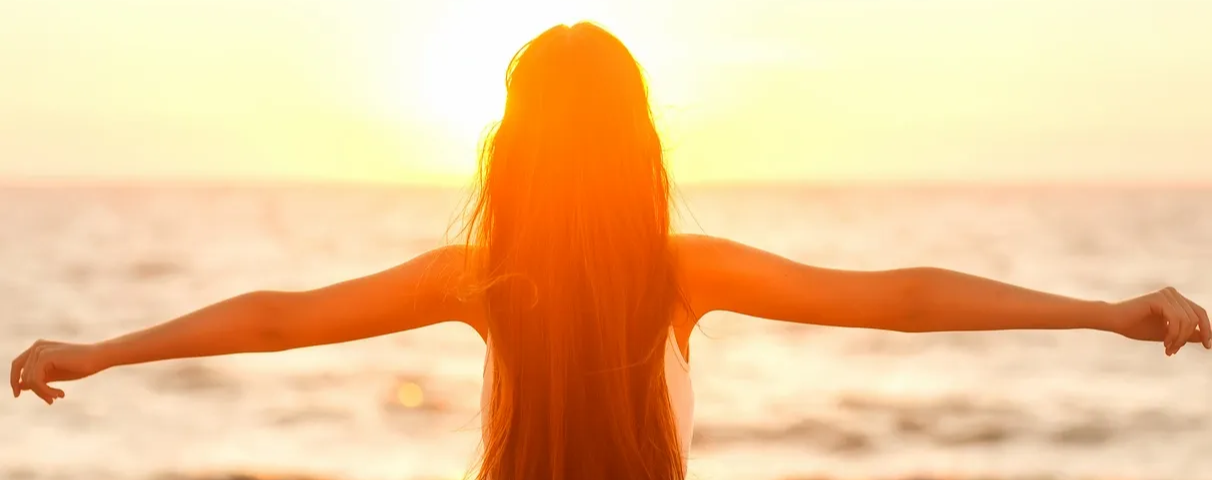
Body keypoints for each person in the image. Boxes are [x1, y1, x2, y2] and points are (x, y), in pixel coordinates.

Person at [9, 21, 1209, 480]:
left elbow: (276, 317)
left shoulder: (478, 278)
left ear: (514, 148)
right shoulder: (680, 269)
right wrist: (1103, 310)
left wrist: (103, 349)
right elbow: (900, 300)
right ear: (635, 142)